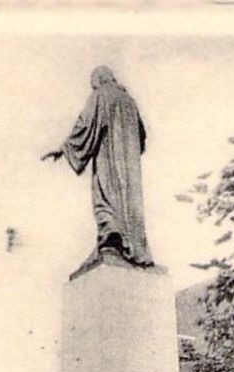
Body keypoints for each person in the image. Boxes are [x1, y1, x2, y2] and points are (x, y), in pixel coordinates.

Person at [41, 66, 153, 269]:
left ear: (99, 80)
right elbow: (142, 137)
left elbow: (84, 125)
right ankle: (132, 246)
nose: (92, 87)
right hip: (130, 171)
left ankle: (111, 240)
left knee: (104, 197)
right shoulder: (130, 102)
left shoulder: (100, 96)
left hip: (108, 163)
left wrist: (63, 149)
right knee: (129, 206)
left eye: (92, 82)